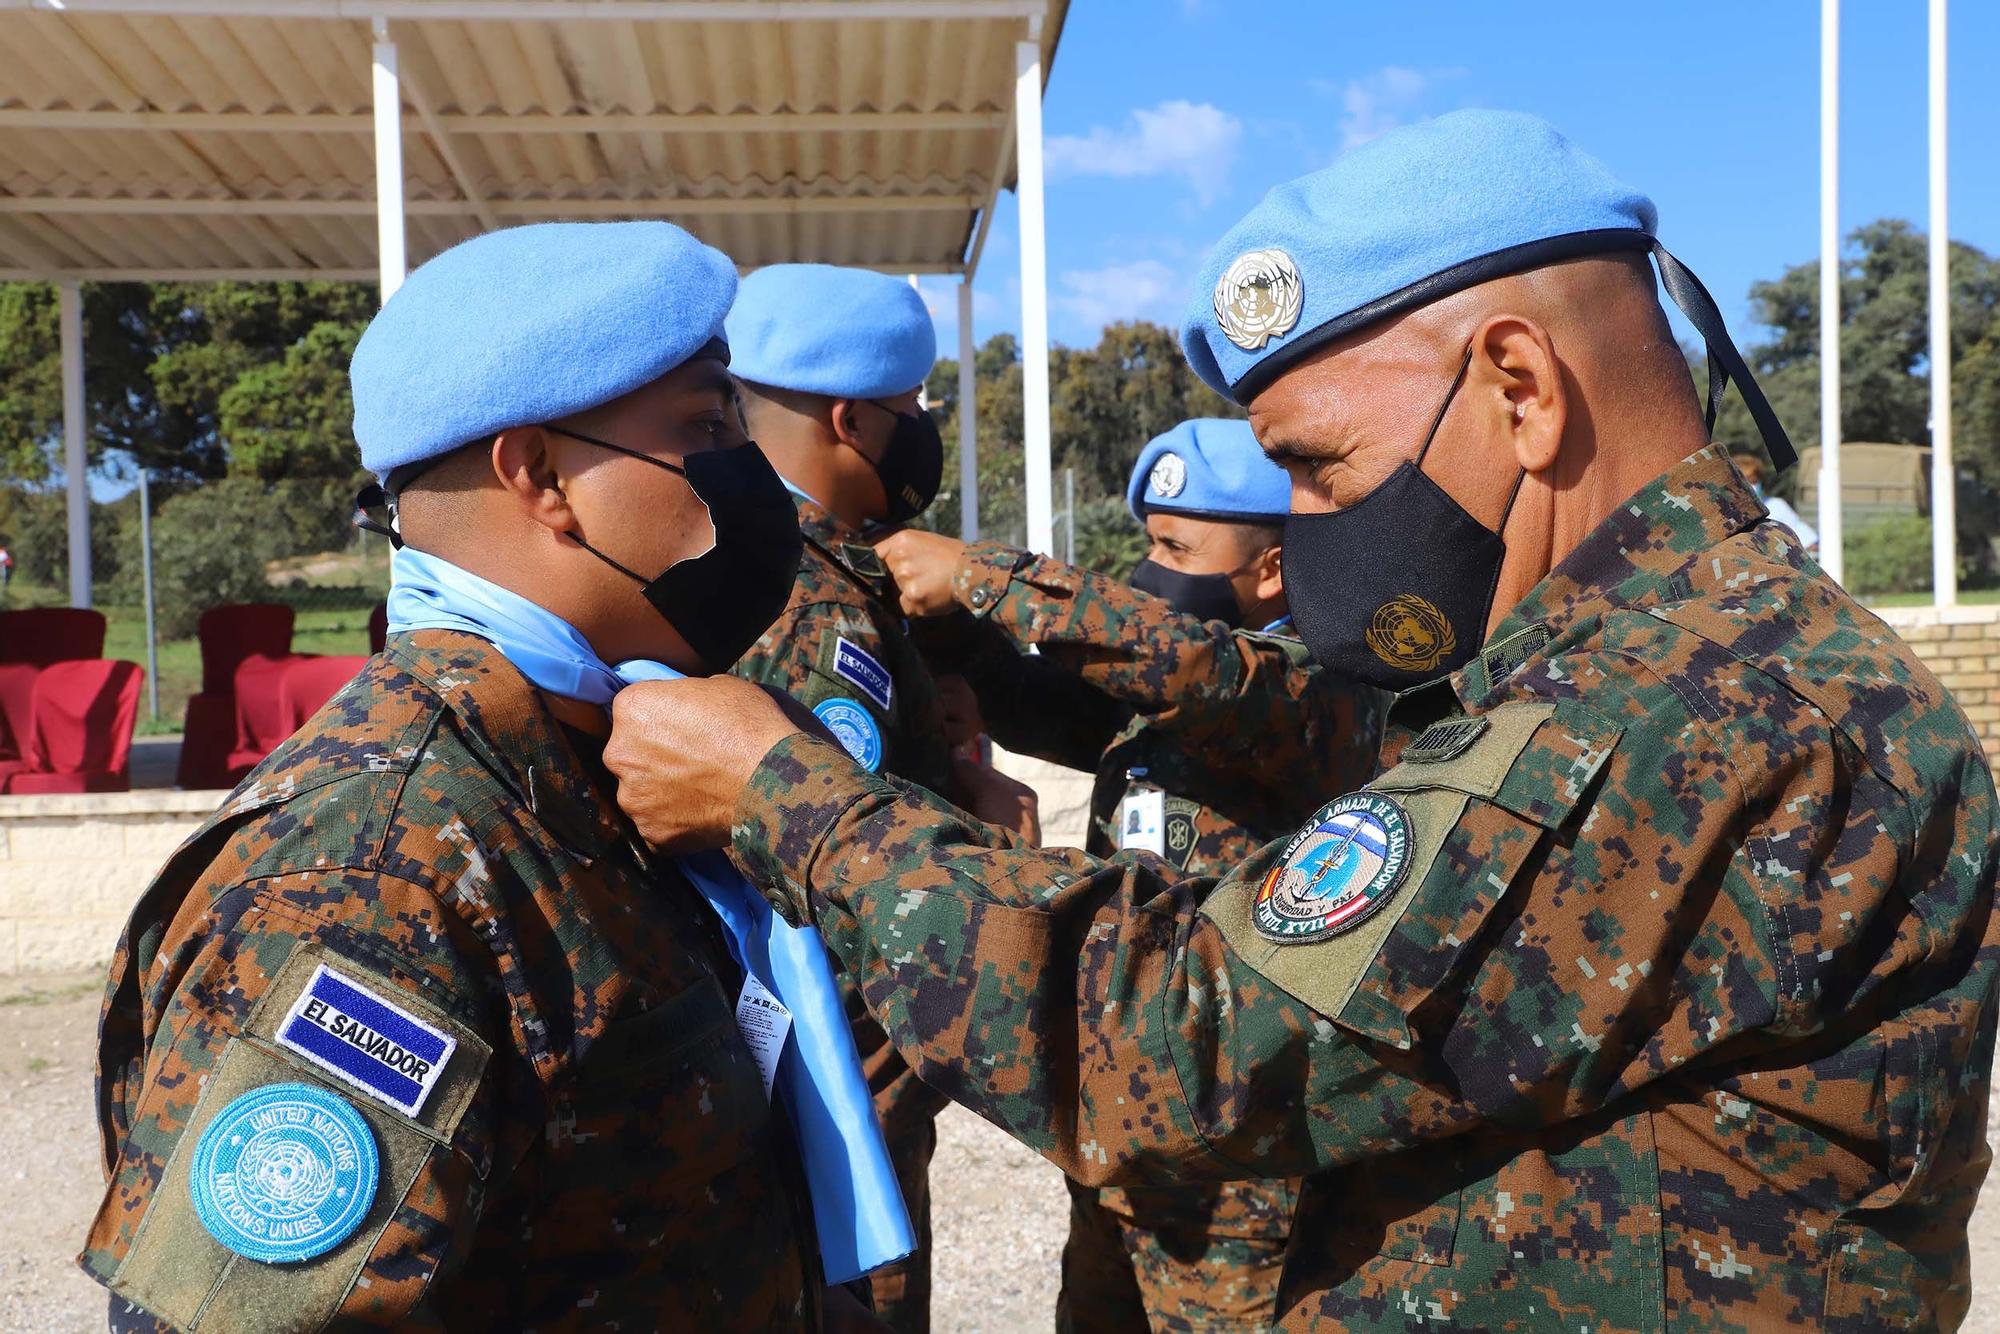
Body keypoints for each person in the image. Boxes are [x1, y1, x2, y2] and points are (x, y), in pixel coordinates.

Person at [604, 110, 2000, 1329]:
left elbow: (1182, 1042)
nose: (1308, 529)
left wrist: (787, 796)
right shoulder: (1635, 652)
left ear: (1520, 388)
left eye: (1320, 469)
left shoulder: (1685, 701)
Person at [79, 221, 896, 1332]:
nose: (754, 484)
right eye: (706, 427)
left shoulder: (597, 760)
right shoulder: (372, 868)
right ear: (541, 474)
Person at [876, 416, 1384, 1332]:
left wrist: (983, 575)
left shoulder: (1320, 687)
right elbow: (1039, 697)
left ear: (1270, 569)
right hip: (1124, 1150)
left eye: (1173, 546)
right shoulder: (1152, 708)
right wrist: (951, 634)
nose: (1146, 572)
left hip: (1242, 1180)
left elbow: (1199, 670)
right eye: (1145, 541)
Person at [723, 263, 961, 1334]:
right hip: (839, 1072)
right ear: (851, 417)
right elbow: (825, 873)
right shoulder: (822, 602)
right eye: (909, 410)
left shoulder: (732, 562)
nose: (918, 431)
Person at [1731, 445, 1820, 550]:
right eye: (1747, 481)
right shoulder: (1726, 513)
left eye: (1754, 481)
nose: (1752, 486)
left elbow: (1810, 543)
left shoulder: (1776, 506)